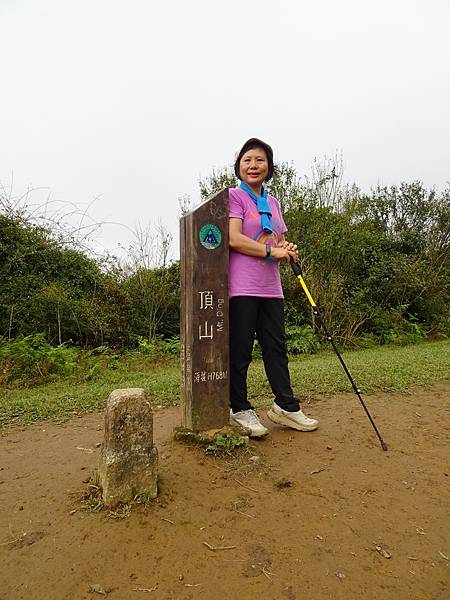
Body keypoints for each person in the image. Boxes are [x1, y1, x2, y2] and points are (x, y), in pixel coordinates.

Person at [228, 137, 319, 437]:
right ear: (239, 167)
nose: (253, 166)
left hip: (271, 288)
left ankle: (286, 407)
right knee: (240, 351)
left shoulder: (274, 202)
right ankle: (239, 408)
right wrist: (272, 252)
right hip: (242, 287)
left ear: (269, 167)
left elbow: (277, 240)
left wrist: (286, 247)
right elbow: (234, 238)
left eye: (260, 160)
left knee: (276, 349)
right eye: (247, 161)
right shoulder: (234, 197)